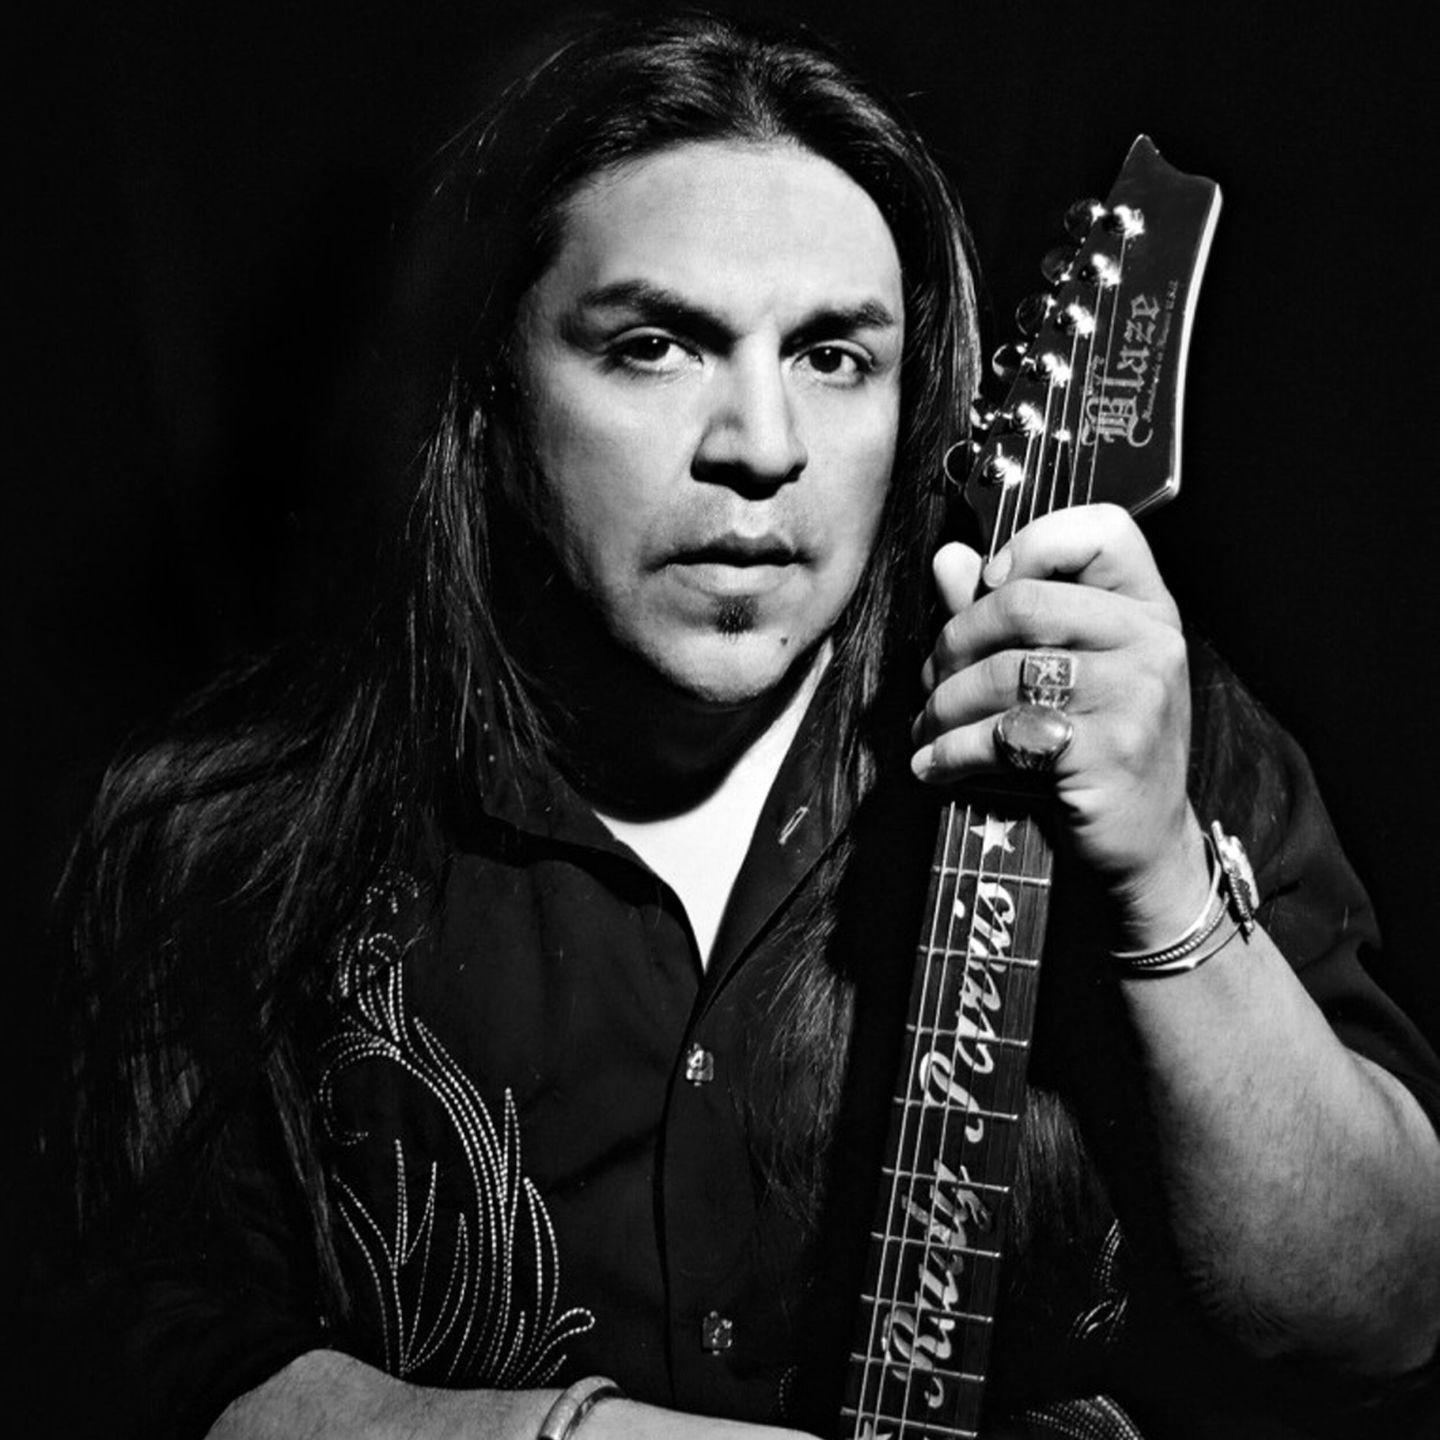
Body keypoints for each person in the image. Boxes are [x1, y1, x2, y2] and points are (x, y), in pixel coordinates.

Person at [34, 10, 1440, 1440]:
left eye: (834, 357)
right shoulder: (213, 842)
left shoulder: (1126, 723)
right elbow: (128, 1352)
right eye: (655, 346)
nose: (762, 447)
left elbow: (1389, 1317)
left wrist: (1159, 881)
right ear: (495, 396)